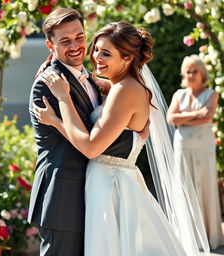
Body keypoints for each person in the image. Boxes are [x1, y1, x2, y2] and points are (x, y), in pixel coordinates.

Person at [33, 22, 210, 255]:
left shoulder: (124, 90)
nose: (96, 57)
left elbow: (91, 147)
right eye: (96, 49)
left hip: (110, 186)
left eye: (106, 53)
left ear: (127, 58)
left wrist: (60, 107)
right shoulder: (120, 86)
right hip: (110, 180)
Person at [27, 8, 149, 256]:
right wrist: (136, 139)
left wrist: (136, 137)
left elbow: (103, 129)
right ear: (50, 46)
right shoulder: (49, 85)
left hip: (97, 193)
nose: (75, 46)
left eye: (80, 37)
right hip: (63, 197)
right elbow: (88, 142)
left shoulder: (95, 79)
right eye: (65, 41)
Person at [167, 54, 224, 250]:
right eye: (188, 71)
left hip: (203, 149)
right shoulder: (178, 95)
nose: (191, 75)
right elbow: (171, 119)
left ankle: (208, 236)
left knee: (205, 188)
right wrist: (195, 115)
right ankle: (187, 235)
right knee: (185, 189)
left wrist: (184, 117)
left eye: (194, 71)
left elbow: (207, 117)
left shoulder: (211, 94)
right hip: (182, 148)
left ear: (202, 74)